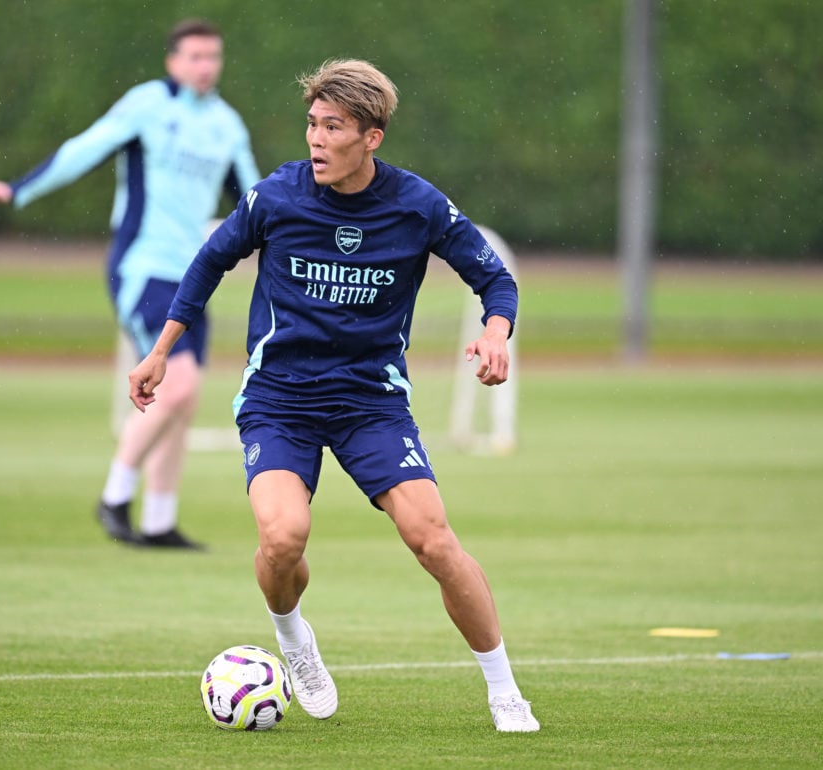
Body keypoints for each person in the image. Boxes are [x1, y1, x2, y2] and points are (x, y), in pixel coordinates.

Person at [128, 59, 540, 732]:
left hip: (370, 403)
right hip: (279, 400)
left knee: (432, 540)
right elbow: (208, 263)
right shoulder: (276, 197)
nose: (316, 140)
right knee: (283, 537)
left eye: (333, 127)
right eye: (312, 124)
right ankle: (294, 642)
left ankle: (504, 691)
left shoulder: (418, 206)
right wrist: (161, 350)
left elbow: (495, 281)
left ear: (371, 137)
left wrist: (497, 334)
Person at [0, 19, 261, 549]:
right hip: (143, 266)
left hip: (194, 275)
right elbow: (84, 148)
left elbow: (256, 202)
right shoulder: (147, 104)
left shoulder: (226, 125)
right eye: (194, 56)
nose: (205, 66)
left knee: (183, 399)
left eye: (212, 56)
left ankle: (159, 521)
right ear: (172, 61)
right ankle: (115, 496)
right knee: (181, 384)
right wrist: (18, 191)